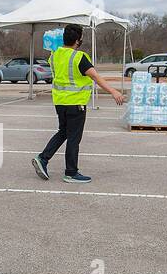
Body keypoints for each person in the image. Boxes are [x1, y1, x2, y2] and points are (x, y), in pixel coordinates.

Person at [31, 24, 124, 184]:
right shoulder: (79, 57)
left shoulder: (54, 56)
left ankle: (43, 158)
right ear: (78, 40)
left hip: (60, 102)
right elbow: (96, 77)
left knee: (64, 132)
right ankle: (71, 172)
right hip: (76, 103)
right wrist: (113, 91)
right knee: (73, 138)